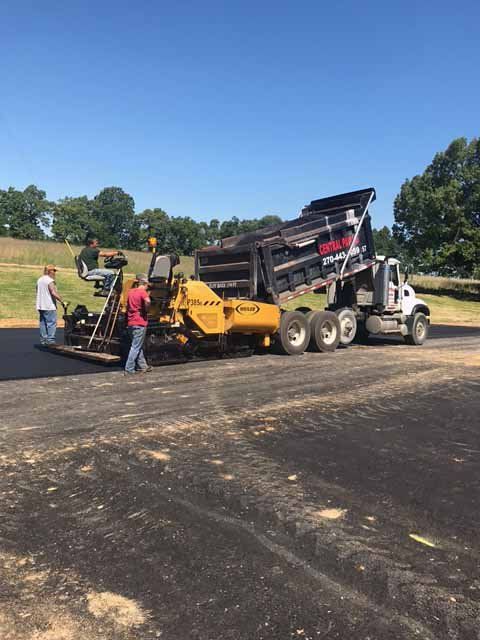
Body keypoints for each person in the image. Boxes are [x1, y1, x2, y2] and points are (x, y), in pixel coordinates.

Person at [125, 274, 153, 375]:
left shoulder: (131, 292)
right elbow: (148, 301)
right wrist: (146, 309)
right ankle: (129, 369)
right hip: (140, 322)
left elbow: (128, 305)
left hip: (131, 322)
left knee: (137, 345)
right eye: (147, 286)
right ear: (144, 284)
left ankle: (143, 366)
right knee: (135, 347)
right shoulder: (143, 292)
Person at [36, 264, 64, 345]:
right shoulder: (49, 281)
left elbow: (37, 291)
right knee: (51, 323)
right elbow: (53, 292)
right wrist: (62, 301)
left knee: (43, 323)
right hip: (49, 306)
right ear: (49, 271)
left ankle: (43, 340)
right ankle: (50, 340)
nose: (55, 273)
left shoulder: (40, 279)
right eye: (54, 271)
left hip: (41, 305)